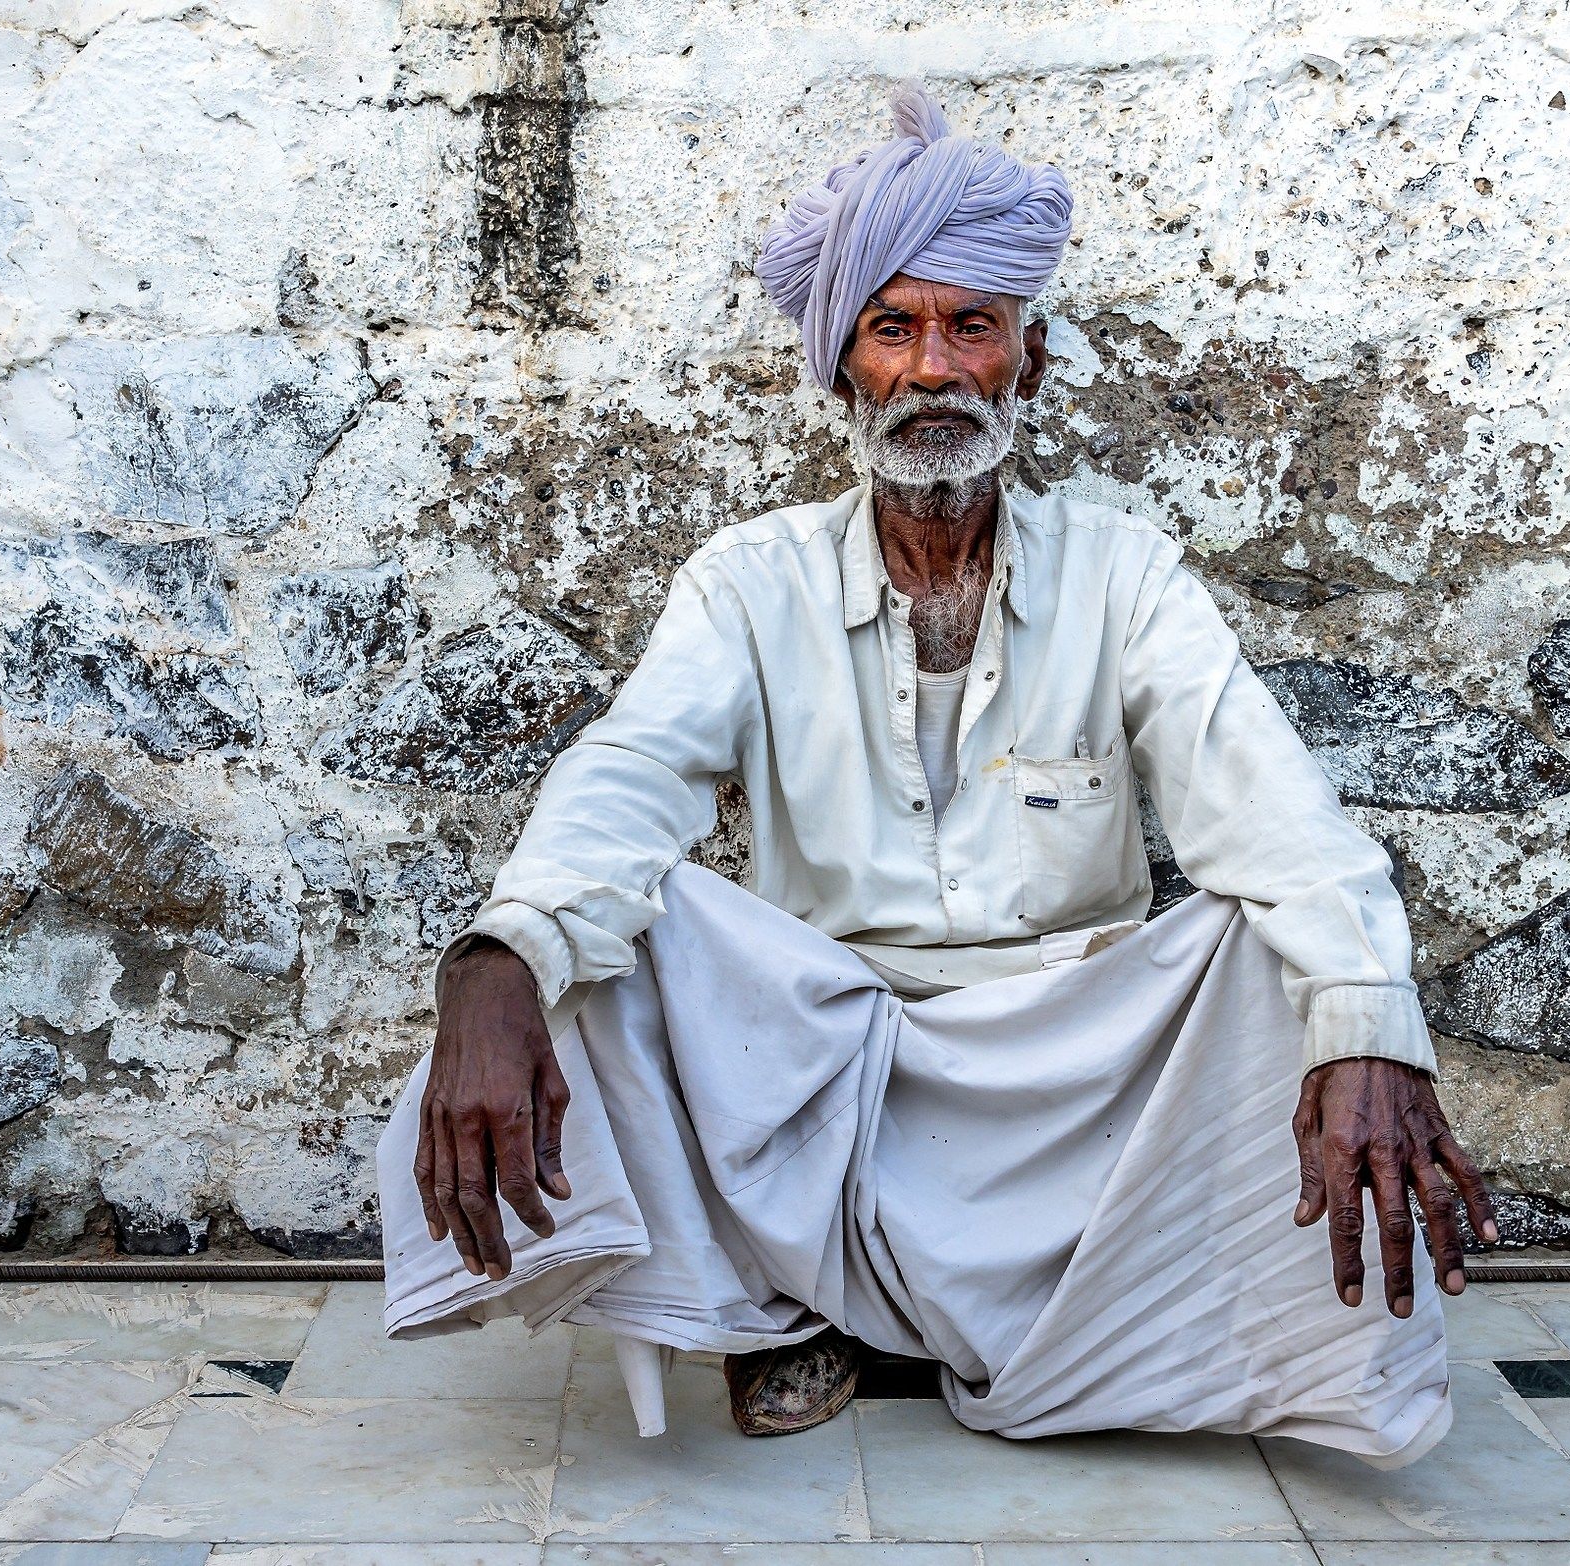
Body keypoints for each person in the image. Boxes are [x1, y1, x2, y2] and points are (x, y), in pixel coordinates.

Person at [375, 79, 1496, 1467]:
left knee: (1284, 958)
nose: (933, 367)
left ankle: (1111, 1330)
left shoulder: (1123, 571)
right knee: (595, 938)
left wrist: (1371, 1022)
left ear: (1026, 361)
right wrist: (492, 963)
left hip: (1073, 1067)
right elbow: (631, 774)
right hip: (823, 1063)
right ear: (845, 365)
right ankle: (773, 1304)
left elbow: (1269, 808)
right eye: (893, 327)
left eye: (973, 325)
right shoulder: (749, 582)